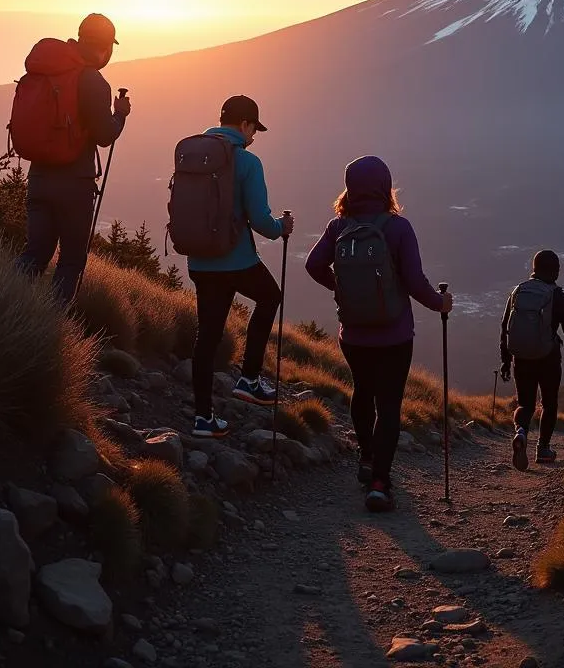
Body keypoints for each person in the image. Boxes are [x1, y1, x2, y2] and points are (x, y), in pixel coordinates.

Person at [305, 155, 452, 512]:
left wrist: (340, 289)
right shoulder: (398, 228)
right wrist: (440, 303)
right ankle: (380, 484)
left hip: (353, 333)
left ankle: (367, 458)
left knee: (363, 391)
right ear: (385, 186)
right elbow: (415, 281)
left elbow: (313, 265)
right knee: (388, 405)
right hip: (394, 334)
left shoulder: (338, 226)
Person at [185, 96, 294, 439]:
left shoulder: (193, 152)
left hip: (199, 259)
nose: (254, 136)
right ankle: (249, 379)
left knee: (208, 336)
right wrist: (281, 228)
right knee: (269, 297)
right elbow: (260, 220)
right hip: (235, 260)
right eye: (254, 129)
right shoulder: (247, 161)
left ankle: (203, 418)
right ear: (245, 124)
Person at [15, 13, 130, 306]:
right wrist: (120, 115)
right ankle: (51, 329)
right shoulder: (92, 81)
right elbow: (105, 135)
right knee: (71, 261)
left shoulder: (47, 69)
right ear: (105, 47)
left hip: (39, 175)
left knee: (34, 254)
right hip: (74, 184)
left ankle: (2, 310)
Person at [499, 249, 564, 469]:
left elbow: (505, 328)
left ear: (534, 268)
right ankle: (543, 450)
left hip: (521, 358)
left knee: (525, 403)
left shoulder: (518, 292)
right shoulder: (560, 298)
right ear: (556, 271)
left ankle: (520, 432)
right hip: (548, 358)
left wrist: (505, 360)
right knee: (549, 403)